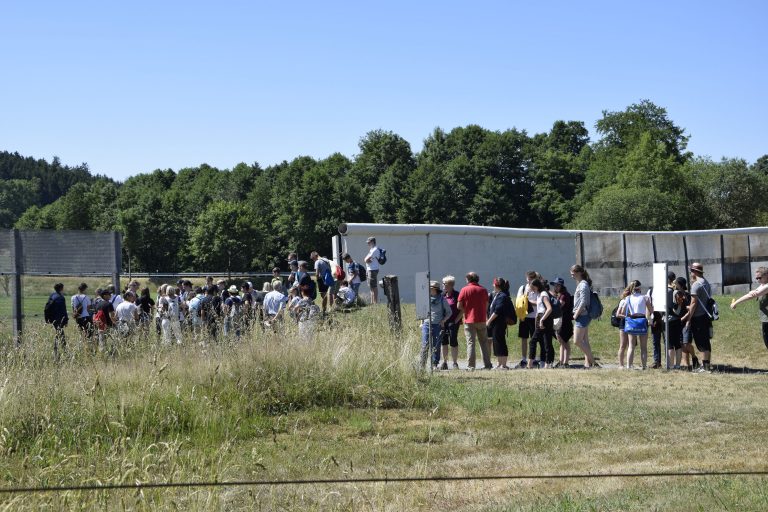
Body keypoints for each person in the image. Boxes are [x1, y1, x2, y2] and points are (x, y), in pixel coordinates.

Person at [681, 262, 713, 372]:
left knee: (701, 342)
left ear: (694, 272)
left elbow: (693, 303)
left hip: (698, 317)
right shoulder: (706, 283)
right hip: (705, 316)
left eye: (691, 271)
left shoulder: (696, 285)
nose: (690, 274)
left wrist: (688, 318)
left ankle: (705, 367)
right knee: (705, 341)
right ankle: (706, 365)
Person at [457, 272, 491, 370]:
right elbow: (486, 305)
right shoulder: (483, 290)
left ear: (468, 279)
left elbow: (459, 306)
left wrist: (467, 309)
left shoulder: (464, 289)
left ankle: (471, 366)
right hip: (481, 319)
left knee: (471, 343)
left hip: (469, 320)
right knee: (484, 342)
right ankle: (487, 364)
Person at [730, 266, 768, 350]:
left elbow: (752, 295)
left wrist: (736, 303)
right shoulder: (763, 284)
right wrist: (753, 292)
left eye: (759, 277)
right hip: (765, 320)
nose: (758, 280)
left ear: (766, 275)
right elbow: (755, 291)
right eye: (756, 278)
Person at [570, 264, 598, 369]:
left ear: (579, 273)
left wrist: (576, 314)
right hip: (582, 315)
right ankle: (588, 363)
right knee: (585, 341)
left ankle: (593, 362)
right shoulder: (582, 284)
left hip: (582, 315)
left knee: (577, 341)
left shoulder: (583, 285)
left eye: (573, 274)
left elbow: (584, 301)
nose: (572, 276)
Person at [420, 281, 451, 369]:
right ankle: (422, 364)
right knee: (424, 344)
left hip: (437, 325)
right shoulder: (425, 299)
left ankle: (434, 364)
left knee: (436, 346)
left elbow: (449, 312)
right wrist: (421, 323)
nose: (429, 290)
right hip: (426, 324)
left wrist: (443, 321)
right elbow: (422, 311)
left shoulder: (442, 299)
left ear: (435, 290)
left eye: (430, 289)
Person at [624, 281, 653, 369]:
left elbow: (626, 311)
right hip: (642, 322)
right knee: (643, 347)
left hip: (632, 322)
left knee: (631, 346)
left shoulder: (628, 298)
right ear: (639, 288)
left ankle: (629, 366)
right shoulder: (645, 298)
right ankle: (644, 366)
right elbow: (651, 310)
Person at [486, 277, 513, 369]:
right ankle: (499, 363)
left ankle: (504, 364)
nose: (492, 285)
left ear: (496, 285)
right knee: (496, 343)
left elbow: (497, 310)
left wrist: (489, 321)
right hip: (495, 323)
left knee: (500, 342)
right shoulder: (497, 295)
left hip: (499, 323)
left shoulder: (502, 296)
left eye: (494, 284)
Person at [527, 279, 555, 369]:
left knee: (535, 341)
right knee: (545, 342)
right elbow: (539, 306)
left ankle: (531, 364)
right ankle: (547, 364)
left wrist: (542, 320)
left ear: (536, 286)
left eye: (532, 287)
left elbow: (549, 308)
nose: (531, 289)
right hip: (540, 317)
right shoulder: (539, 294)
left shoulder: (543, 294)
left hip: (545, 318)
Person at [516, 271, 540, 368]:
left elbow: (540, 302)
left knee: (534, 339)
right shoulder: (522, 288)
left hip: (535, 317)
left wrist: (528, 301)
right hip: (524, 317)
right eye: (528, 279)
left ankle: (533, 358)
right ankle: (524, 358)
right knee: (524, 338)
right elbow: (518, 301)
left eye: (531, 280)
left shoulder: (538, 289)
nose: (529, 282)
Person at [439, 275, 461, 370]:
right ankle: (444, 362)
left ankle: (455, 363)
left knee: (453, 341)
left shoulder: (457, 295)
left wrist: (456, 320)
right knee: (444, 342)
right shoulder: (442, 295)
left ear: (450, 285)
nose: (443, 285)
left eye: (445, 283)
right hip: (443, 322)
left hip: (453, 322)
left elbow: (462, 309)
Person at [667, 277, 689, 370]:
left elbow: (675, 308)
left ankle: (671, 365)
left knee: (670, 344)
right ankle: (678, 365)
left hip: (670, 319)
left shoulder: (672, 292)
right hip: (678, 320)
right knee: (677, 344)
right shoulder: (682, 294)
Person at [552, 277, 573, 368]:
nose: (555, 287)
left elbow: (559, 306)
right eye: (555, 285)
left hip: (565, 321)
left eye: (557, 285)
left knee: (564, 342)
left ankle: (566, 362)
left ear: (561, 286)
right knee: (562, 341)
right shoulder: (560, 294)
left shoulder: (564, 295)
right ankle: (561, 361)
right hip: (560, 320)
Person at [46, 283, 69, 358]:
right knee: (60, 334)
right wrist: (66, 320)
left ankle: (58, 350)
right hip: (59, 318)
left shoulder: (52, 295)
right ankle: (63, 351)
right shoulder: (61, 298)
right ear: (61, 288)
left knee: (58, 333)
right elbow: (63, 310)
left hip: (52, 318)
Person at [615, 286, 631, 368]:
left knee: (630, 345)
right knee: (623, 345)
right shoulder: (623, 301)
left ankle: (629, 364)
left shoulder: (633, 301)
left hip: (631, 323)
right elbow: (618, 314)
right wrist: (627, 316)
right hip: (624, 323)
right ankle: (621, 364)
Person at [364, 237, 382, 304]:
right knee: (371, 286)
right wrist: (367, 260)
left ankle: (375, 302)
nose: (368, 244)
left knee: (374, 286)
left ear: (372, 242)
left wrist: (367, 260)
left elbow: (366, 260)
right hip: (370, 269)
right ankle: (372, 302)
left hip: (373, 270)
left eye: (368, 242)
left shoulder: (375, 250)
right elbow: (366, 260)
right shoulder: (372, 249)